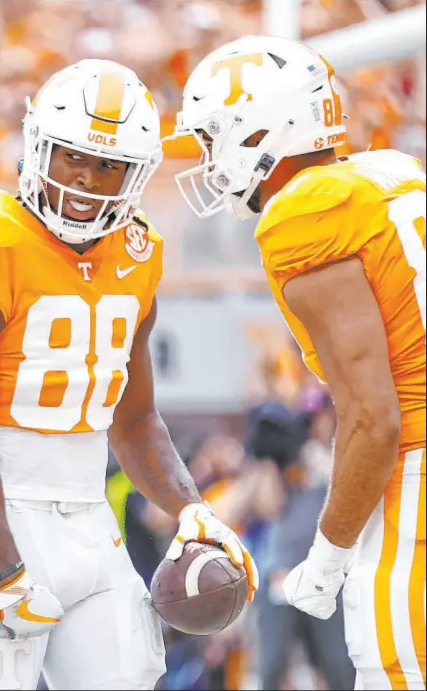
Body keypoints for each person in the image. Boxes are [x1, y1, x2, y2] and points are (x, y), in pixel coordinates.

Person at [0, 58, 257, 690]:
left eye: (108, 166)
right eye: (72, 157)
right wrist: (5, 568)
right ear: (38, 146)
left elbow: (135, 419)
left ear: (137, 173)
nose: (87, 181)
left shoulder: (138, 251)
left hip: (91, 518)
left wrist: (192, 511)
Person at [169, 35, 425, 690]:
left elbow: (375, 419)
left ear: (258, 131)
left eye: (212, 138)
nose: (208, 158)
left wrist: (329, 553)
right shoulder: (390, 173)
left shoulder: (305, 214)